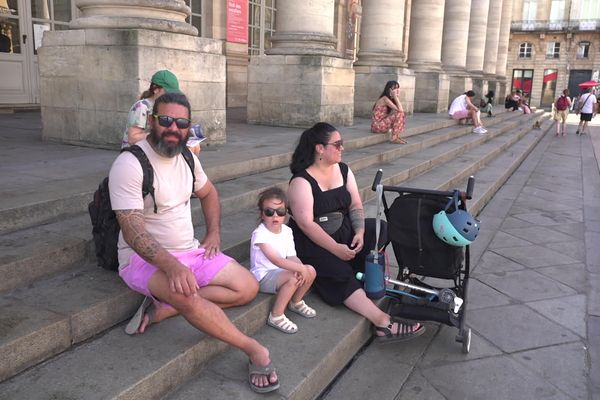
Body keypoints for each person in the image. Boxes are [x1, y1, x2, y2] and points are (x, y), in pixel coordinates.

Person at [109, 92, 279, 393]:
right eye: (166, 120)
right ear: (151, 121)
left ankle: (165, 308)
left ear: (189, 127)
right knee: (187, 295)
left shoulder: (187, 157)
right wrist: (172, 268)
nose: (174, 128)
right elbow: (133, 231)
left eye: (182, 122)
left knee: (248, 287)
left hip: (191, 250)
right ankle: (253, 349)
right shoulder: (129, 164)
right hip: (144, 260)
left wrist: (213, 233)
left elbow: (209, 193)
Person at [287, 122, 425, 343]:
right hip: (312, 240)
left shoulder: (343, 169)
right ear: (319, 148)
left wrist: (359, 232)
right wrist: (335, 249)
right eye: (337, 144)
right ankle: (382, 322)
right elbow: (306, 224)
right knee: (336, 268)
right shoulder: (301, 181)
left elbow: (356, 206)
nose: (342, 148)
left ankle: (361, 275)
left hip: (342, 229)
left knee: (379, 230)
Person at [250, 187, 317, 334]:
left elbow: (291, 256)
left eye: (280, 212)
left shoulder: (287, 231)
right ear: (261, 214)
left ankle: (296, 301)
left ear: (285, 214)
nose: (275, 216)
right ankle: (276, 315)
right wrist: (299, 270)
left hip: (280, 272)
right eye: (269, 212)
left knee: (311, 270)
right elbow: (277, 260)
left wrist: (301, 267)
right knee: (295, 275)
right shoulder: (260, 234)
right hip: (263, 276)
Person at [121, 70, 201, 157]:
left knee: (195, 147)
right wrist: (161, 135)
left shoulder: (166, 106)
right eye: (168, 92)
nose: (171, 96)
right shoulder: (142, 107)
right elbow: (133, 138)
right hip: (138, 151)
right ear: (156, 89)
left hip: (156, 147)